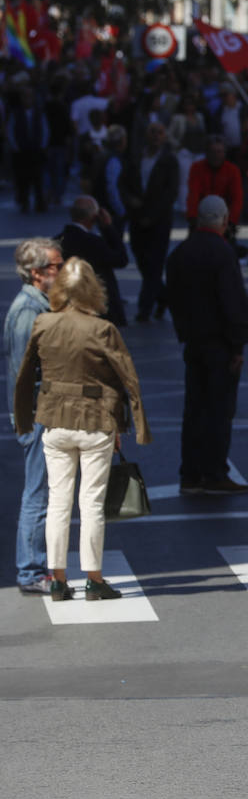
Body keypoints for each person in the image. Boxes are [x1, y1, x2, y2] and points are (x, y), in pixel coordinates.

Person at [13, 257, 151, 601]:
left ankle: (57, 579)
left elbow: (25, 374)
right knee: (90, 504)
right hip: (95, 421)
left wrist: (23, 418)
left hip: (55, 420)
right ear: (93, 289)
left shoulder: (44, 322)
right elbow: (126, 379)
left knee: (58, 502)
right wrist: (134, 424)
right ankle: (94, 579)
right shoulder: (102, 329)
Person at [163, 196, 248, 495]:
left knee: (194, 408)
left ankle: (190, 472)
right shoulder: (223, 254)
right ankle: (215, 471)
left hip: (194, 340)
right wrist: (238, 343)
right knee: (219, 409)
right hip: (220, 342)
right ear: (224, 220)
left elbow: (172, 296)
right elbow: (233, 301)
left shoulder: (181, 253)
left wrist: (183, 330)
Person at [5, 238, 62, 594]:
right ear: (38, 272)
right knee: (38, 493)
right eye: (57, 265)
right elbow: (29, 372)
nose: (62, 270)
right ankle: (30, 570)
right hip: (38, 413)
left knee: (44, 491)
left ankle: (36, 565)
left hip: (40, 411)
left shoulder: (39, 303)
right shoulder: (29, 310)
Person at [119, 120, 178, 323]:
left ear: (164, 136)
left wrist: (152, 216)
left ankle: (145, 308)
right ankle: (164, 296)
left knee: (154, 264)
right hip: (137, 218)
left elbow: (171, 193)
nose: (156, 136)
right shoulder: (136, 158)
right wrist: (130, 201)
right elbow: (123, 184)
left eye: (160, 132)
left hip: (159, 221)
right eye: (152, 132)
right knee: (143, 263)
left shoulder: (169, 161)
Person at [57, 195, 129, 327]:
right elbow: (121, 259)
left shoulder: (58, 240)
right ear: (94, 217)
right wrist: (108, 228)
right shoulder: (93, 242)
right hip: (97, 307)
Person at [186, 135, 243, 233]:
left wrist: (231, 222)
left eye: (219, 152)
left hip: (224, 219)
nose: (216, 155)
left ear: (225, 153)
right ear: (207, 153)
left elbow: (237, 198)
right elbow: (193, 195)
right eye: (212, 152)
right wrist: (193, 218)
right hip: (201, 219)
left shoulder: (233, 170)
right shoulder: (197, 168)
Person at [7, 86, 49, 214]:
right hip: (22, 151)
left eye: (30, 96)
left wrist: (42, 145)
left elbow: (45, 129)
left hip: (36, 150)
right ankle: (24, 201)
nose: (27, 99)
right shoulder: (16, 113)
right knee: (23, 179)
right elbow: (11, 130)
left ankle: (39, 202)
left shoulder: (39, 112)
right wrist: (15, 147)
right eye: (25, 97)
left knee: (38, 178)